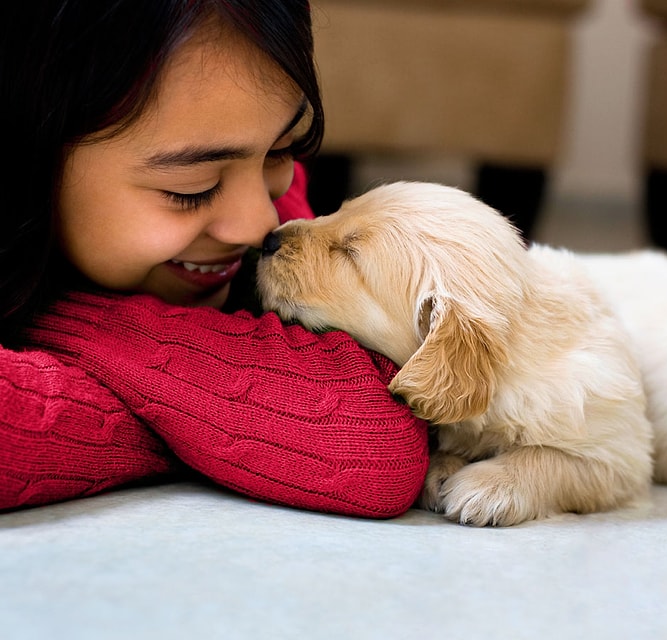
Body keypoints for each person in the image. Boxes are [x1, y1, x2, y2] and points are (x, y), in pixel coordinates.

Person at [0, 1, 429, 516]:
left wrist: (63, 318)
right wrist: (206, 424)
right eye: (192, 188)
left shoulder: (245, 157)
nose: (261, 226)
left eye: (282, 150)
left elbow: (369, 441)